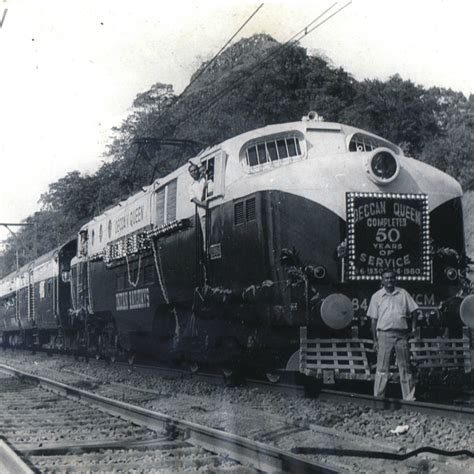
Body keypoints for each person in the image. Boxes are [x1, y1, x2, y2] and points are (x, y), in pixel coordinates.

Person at [367, 268, 418, 401]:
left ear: (395, 279)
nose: (389, 280)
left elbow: (414, 311)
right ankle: (378, 398)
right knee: (382, 368)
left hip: (401, 335)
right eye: (387, 278)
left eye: (392, 278)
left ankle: (409, 398)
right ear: (382, 280)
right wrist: (375, 340)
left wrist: (413, 328)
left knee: (405, 367)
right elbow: (373, 320)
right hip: (384, 335)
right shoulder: (376, 296)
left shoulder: (403, 294)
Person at [188, 162, 208, 249]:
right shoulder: (191, 186)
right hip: (203, 212)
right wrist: (202, 204)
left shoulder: (205, 179)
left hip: (212, 207)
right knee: (206, 234)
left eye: (195, 170)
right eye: (192, 171)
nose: (194, 172)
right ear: (190, 174)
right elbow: (194, 199)